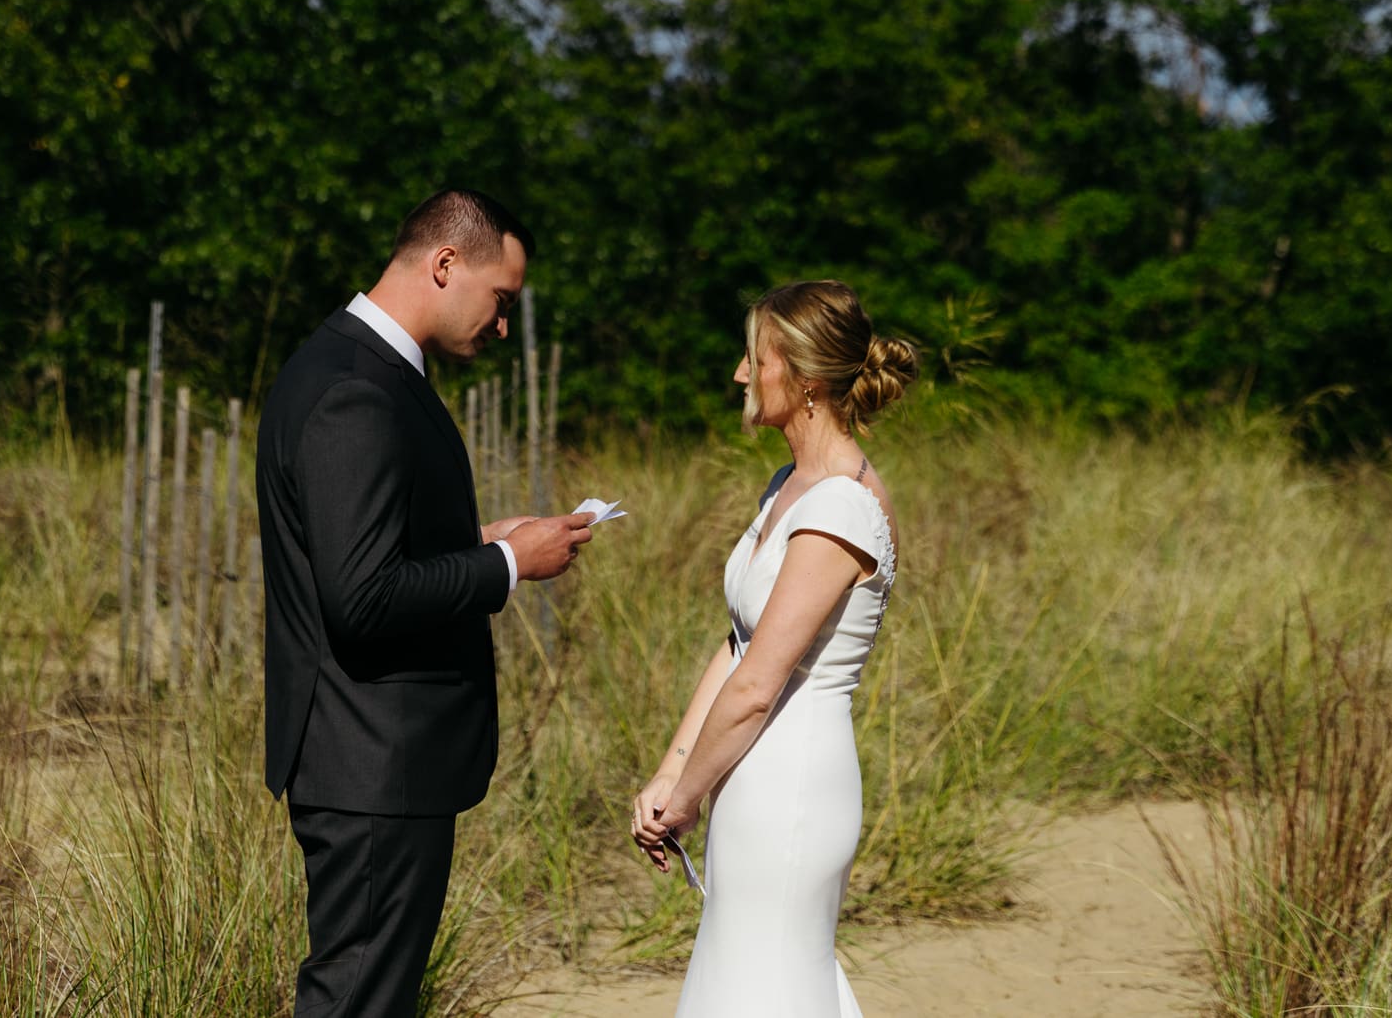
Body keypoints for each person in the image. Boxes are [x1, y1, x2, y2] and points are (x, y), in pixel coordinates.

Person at [257, 188, 596, 1018]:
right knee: (357, 1001)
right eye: (501, 300)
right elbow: (363, 597)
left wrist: (481, 537)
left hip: (372, 758)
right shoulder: (356, 391)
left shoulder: (346, 365)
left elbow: (360, 546)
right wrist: (508, 564)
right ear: (445, 264)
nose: (503, 326)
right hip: (374, 760)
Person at [630, 280, 918, 1017]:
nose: (739, 374)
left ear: (807, 378)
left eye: (754, 359)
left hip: (790, 786)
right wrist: (673, 767)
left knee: (766, 984)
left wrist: (684, 801)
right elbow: (738, 640)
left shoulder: (840, 508)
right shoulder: (788, 484)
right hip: (747, 774)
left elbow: (761, 681)